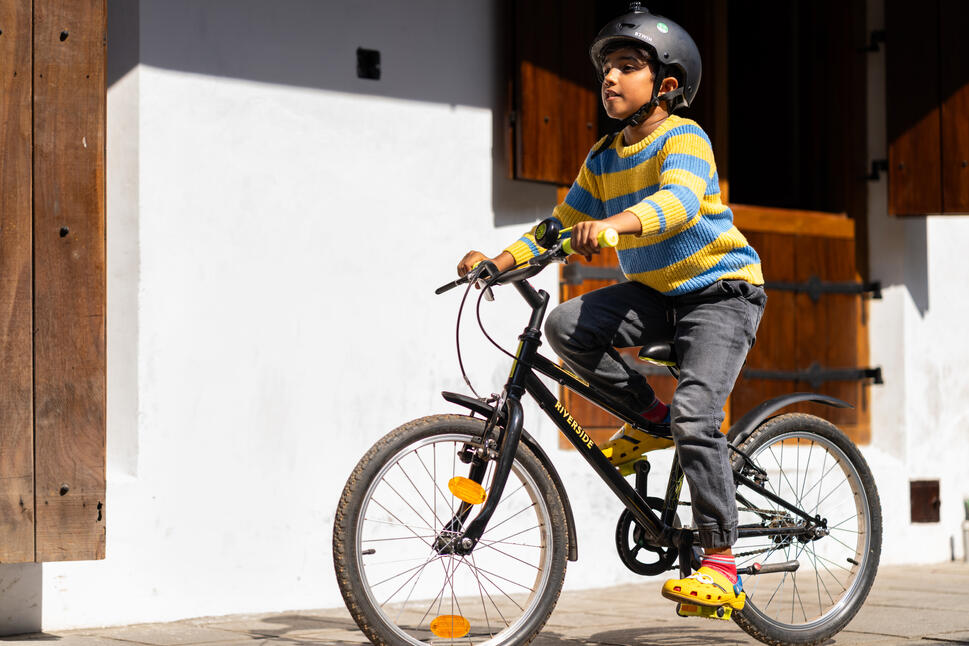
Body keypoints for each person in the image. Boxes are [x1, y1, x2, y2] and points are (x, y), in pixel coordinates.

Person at [457, 4, 764, 612]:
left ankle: (722, 563)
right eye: (606, 69)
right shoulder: (601, 158)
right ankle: (650, 419)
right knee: (567, 323)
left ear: (666, 85)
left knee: (698, 417)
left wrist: (617, 225)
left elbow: (677, 203)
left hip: (720, 292)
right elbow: (558, 228)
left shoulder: (684, 138)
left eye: (628, 67)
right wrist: (499, 261)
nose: (611, 79)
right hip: (656, 295)